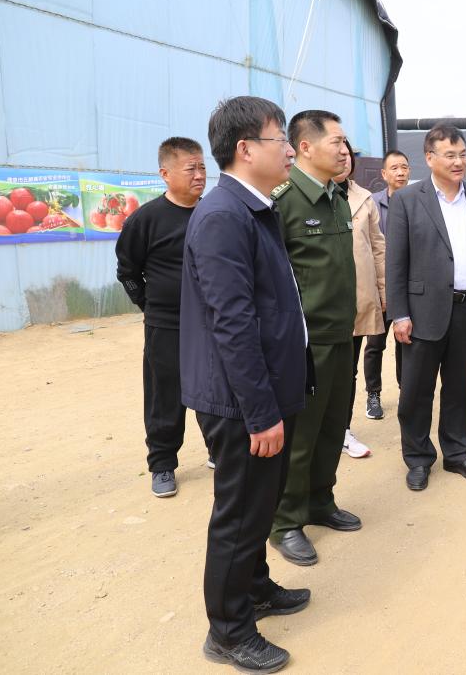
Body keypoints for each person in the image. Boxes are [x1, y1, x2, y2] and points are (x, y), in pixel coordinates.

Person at [180, 96, 308, 672]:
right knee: (239, 513)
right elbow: (231, 323)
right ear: (246, 149)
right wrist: (261, 412)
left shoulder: (253, 208)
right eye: (280, 138)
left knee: (260, 505)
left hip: (262, 392)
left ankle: (255, 587)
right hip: (239, 401)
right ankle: (228, 631)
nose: (290, 150)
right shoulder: (223, 216)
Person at [269, 110, 361, 568]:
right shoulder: (283, 202)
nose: (345, 150)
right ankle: (285, 521)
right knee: (301, 435)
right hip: (305, 343)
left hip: (342, 334)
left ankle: (321, 500)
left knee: (332, 426)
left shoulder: (337, 197)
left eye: (345, 143)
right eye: (336, 142)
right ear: (305, 147)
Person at [386, 123, 466, 491]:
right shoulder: (407, 199)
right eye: (450, 155)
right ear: (429, 158)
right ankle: (418, 458)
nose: (458, 161)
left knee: (461, 387)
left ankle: (458, 453)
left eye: (463, 154)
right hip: (421, 311)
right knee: (416, 390)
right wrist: (400, 314)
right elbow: (396, 261)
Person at [116, 136, 209, 497]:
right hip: (166, 324)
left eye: (202, 167)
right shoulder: (146, 219)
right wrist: (150, 306)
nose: (199, 175)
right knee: (164, 393)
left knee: (216, 387)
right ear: (165, 174)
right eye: (191, 168)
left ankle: (219, 449)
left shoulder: (213, 212)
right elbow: (128, 270)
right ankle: (162, 463)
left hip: (212, 322)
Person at [336, 138, 385, 459]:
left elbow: (378, 248)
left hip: (357, 298)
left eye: (348, 155)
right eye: (338, 153)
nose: (344, 159)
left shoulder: (364, 197)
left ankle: (342, 429)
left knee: (348, 369)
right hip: (319, 303)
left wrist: (383, 291)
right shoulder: (298, 197)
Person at [364, 150, 410, 419]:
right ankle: (373, 394)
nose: (400, 172)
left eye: (404, 167)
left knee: (407, 342)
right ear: (384, 174)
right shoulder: (372, 203)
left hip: (408, 287)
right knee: (375, 344)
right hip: (380, 285)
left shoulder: (417, 201)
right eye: (394, 168)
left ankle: (407, 391)